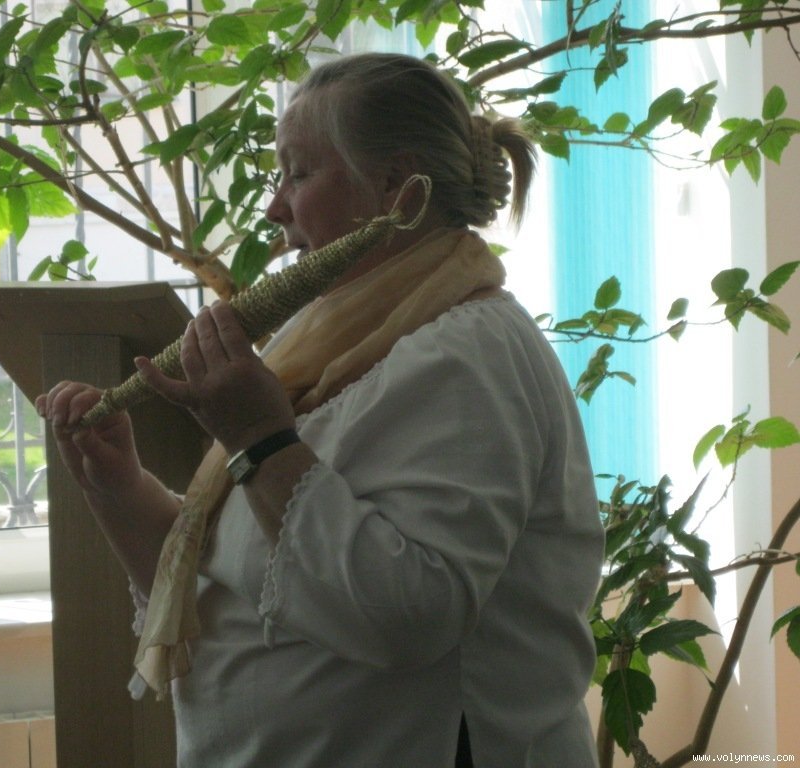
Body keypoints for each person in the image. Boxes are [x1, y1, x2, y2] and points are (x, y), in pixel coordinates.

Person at [37, 52, 603, 768]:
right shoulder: (325, 340)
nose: (275, 208)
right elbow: (226, 583)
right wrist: (116, 484)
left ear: (396, 186)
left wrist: (258, 438)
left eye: (298, 174)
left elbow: (408, 618)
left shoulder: (470, 352)